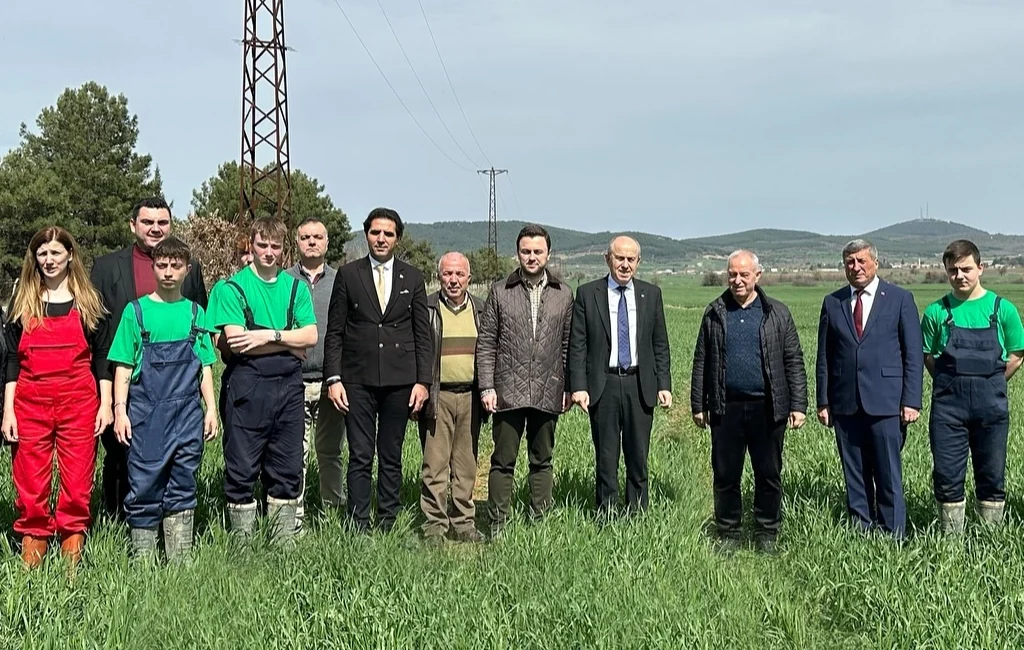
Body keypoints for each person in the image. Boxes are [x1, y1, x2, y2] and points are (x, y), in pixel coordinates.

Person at [90, 197, 208, 520]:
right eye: (147, 222)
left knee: (174, 463)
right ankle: (117, 523)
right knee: (119, 456)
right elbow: (97, 333)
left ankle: (169, 525)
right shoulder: (106, 267)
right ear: (133, 225)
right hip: (121, 379)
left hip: (176, 390)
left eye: (162, 222)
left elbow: (199, 331)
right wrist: (108, 396)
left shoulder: (190, 269)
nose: (155, 228)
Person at [2, 226, 114, 567]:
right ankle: (34, 540)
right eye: (42, 253)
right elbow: (11, 360)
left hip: (79, 402)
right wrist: (8, 410)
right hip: (29, 402)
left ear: (69, 255)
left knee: (78, 479)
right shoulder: (23, 303)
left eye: (55, 252)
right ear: (34, 258)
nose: (49, 260)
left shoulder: (89, 302)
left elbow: (102, 357)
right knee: (30, 478)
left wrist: (106, 404)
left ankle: (72, 542)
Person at [107, 237, 219, 560]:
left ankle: (179, 563)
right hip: (146, 417)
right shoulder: (136, 313)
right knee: (144, 484)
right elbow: (123, 367)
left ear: (187, 269)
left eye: (176, 266)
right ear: (153, 268)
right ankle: (143, 565)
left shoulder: (196, 313)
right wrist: (120, 410)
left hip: (187, 416)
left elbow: (205, 366)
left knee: (183, 483)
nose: (168, 272)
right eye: (162, 265)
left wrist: (211, 409)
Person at [207, 217, 317, 542]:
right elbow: (237, 341)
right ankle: (242, 547)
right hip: (247, 386)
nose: (269, 252)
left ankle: (282, 545)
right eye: (262, 245)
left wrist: (266, 335)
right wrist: (289, 343)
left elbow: (311, 336)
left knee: (287, 467)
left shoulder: (295, 287)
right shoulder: (233, 288)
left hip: (289, 389)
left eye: (275, 246)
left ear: (284, 250)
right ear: (252, 245)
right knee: (242, 468)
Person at [690, 250, 807, 554]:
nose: (738, 280)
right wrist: (698, 404)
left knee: (768, 474)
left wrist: (798, 405)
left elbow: (793, 360)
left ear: (758, 275)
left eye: (744, 274)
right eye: (732, 274)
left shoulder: (777, 313)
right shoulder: (714, 312)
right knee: (726, 475)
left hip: (767, 408)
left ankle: (767, 532)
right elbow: (702, 360)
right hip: (725, 407)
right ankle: (729, 532)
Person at [323, 207, 432, 533]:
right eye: (375, 232)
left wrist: (423, 381)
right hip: (357, 379)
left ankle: (387, 520)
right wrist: (333, 378)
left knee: (391, 454)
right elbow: (335, 331)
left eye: (388, 233)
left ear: (397, 238)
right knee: (359, 454)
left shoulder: (413, 277)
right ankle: (358, 523)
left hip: (400, 381)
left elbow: (422, 334)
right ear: (366, 234)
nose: (381, 238)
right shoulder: (348, 274)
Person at [816, 239, 923, 538]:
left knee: (888, 472)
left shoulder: (899, 299)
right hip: (845, 402)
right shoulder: (833, 302)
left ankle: (893, 533)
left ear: (875, 262)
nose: (856, 267)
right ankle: (861, 529)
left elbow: (913, 354)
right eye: (850, 262)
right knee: (854, 473)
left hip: (887, 402)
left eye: (861, 261)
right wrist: (823, 400)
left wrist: (911, 400)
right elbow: (824, 356)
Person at [476, 224, 574, 539]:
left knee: (542, 460)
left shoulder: (563, 293)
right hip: (507, 390)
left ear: (548, 254)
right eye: (526, 251)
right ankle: (498, 524)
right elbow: (486, 343)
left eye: (537, 251)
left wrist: (568, 386)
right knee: (503, 460)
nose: (532, 257)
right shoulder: (499, 291)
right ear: (517, 253)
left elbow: (568, 345)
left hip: (548, 388)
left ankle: (540, 522)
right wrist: (487, 386)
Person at [921, 239, 1024, 533]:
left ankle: (989, 538)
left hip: (991, 409)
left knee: (992, 475)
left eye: (966, 269)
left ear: (980, 268)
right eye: (952, 270)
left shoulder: (1002, 310)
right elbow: (927, 356)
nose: (959, 276)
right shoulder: (936, 312)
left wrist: (992, 382)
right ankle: (950, 544)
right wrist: (950, 382)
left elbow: (1017, 354)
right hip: (948, 410)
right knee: (946, 475)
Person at [568, 236, 673, 519]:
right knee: (606, 455)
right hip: (604, 385)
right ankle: (607, 514)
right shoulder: (588, 293)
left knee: (638, 455)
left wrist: (664, 384)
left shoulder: (651, 294)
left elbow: (660, 343)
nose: (625, 265)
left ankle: (637, 514)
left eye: (631, 259)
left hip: (640, 384)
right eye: (619, 258)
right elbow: (578, 345)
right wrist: (578, 386)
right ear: (608, 259)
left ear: (638, 262)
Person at [418, 252, 487, 545]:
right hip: (438, 395)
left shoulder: (481, 309)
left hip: (471, 395)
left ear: (469, 278)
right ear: (439, 277)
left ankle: (463, 522)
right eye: (447, 274)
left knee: (466, 464)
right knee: (435, 464)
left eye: (459, 274)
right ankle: (434, 525)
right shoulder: (426, 308)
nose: (453, 280)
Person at [285, 217, 348, 533]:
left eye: (318, 237)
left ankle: (332, 515)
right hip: (292, 381)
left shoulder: (342, 281)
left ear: (327, 242)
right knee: (295, 454)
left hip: (331, 382)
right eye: (305, 237)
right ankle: (293, 520)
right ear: (296, 242)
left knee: (330, 451)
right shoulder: (282, 281)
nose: (312, 242)